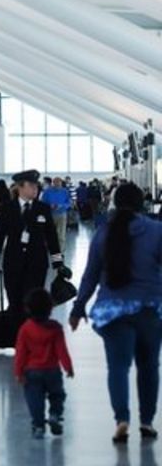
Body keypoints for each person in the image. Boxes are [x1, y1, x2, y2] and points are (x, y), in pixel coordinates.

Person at [70, 183, 162, 444]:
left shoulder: (103, 233)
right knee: (149, 366)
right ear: (141, 204)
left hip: (113, 311)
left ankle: (122, 419)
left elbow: (90, 275)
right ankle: (147, 421)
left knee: (118, 367)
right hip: (149, 308)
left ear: (113, 202)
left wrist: (78, 309)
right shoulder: (156, 231)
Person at [0, 170, 68, 315]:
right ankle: (16, 336)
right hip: (13, 263)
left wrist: (58, 264)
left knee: (34, 306)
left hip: (37, 264)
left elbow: (52, 238)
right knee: (15, 304)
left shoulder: (43, 209)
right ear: (20, 187)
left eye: (37, 186)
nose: (36, 189)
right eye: (31, 186)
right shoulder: (7, 209)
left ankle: (31, 336)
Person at [15, 288, 73, 439]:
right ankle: (54, 415)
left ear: (28, 309)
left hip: (32, 371)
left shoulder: (25, 329)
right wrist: (68, 367)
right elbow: (62, 350)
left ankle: (38, 425)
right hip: (52, 370)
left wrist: (18, 372)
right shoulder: (55, 328)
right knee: (57, 395)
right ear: (50, 308)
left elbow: (21, 353)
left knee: (34, 398)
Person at [41, 177, 71, 252]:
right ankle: (51, 249)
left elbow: (69, 202)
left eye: (59, 182)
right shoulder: (47, 192)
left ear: (61, 183)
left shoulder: (65, 191)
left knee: (61, 235)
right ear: (53, 183)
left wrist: (62, 206)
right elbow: (42, 203)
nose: (57, 184)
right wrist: (50, 206)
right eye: (56, 182)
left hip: (62, 214)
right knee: (50, 233)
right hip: (50, 215)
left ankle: (60, 251)